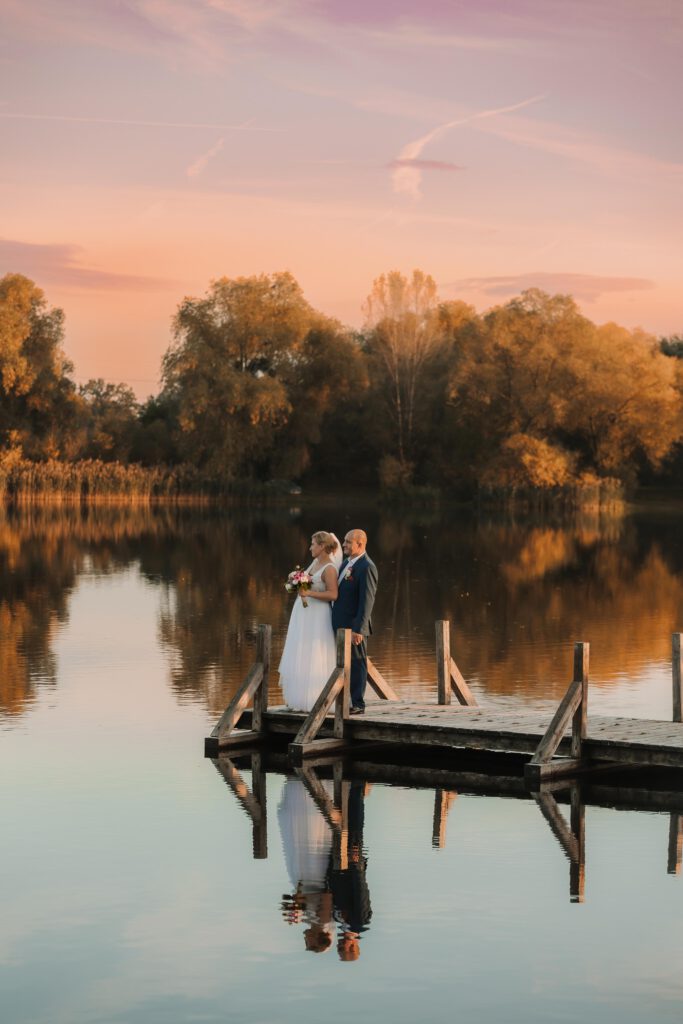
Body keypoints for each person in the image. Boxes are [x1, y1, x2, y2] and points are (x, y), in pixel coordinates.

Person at [278, 531, 342, 712]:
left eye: (313, 544)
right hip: (303, 614)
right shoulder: (315, 562)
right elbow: (305, 581)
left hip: (317, 615)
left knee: (315, 653)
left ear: (322, 546)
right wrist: (295, 579)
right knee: (301, 651)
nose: (310, 547)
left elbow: (333, 594)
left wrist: (309, 593)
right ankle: (300, 699)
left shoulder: (329, 568)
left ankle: (317, 699)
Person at [331, 529, 378, 714]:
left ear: (360, 544)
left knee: (358, 663)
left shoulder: (367, 567)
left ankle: (358, 704)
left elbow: (367, 601)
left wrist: (358, 629)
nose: (344, 545)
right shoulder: (346, 564)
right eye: (345, 541)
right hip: (340, 625)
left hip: (354, 627)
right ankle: (345, 700)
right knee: (342, 663)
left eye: (348, 542)